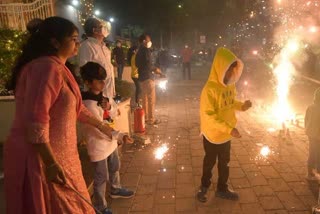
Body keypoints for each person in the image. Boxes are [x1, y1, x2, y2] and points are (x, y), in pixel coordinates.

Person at [4, 17, 113, 214]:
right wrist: (51, 163)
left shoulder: (59, 67)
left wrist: (101, 125)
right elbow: (36, 122)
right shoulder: (45, 68)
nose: (77, 43)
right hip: (43, 157)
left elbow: (76, 108)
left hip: (63, 155)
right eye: (73, 38)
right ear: (55, 42)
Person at [197, 47, 252, 203]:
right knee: (209, 162)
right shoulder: (209, 90)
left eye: (234, 69)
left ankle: (222, 188)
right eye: (229, 69)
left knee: (225, 162)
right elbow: (209, 116)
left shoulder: (230, 85)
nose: (232, 73)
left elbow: (231, 102)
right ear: (221, 68)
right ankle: (204, 186)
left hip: (226, 134)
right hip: (213, 134)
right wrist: (230, 129)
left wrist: (242, 106)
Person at [80, 62, 134, 214]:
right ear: (87, 82)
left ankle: (115, 189)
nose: (103, 83)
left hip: (110, 143)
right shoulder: (87, 104)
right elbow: (99, 130)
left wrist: (109, 107)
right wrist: (119, 136)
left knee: (115, 167)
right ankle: (100, 205)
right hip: (98, 145)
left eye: (104, 79)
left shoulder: (103, 98)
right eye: (98, 80)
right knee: (101, 176)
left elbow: (116, 113)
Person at [79, 18, 115, 101]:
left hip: (108, 94)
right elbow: (85, 72)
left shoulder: (105, 48)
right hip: (96, 96)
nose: (104, 28)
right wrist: (95, 94)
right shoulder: (87, 46)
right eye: (101, 26)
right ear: (94, 30)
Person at [135, 34, 162, 125]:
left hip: (141, 78)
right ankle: (151, 119)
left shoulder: (138, 52)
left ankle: (145, 118)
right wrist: (156, 69)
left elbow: (137, 64)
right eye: (148, 39)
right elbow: (149, 64)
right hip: (148, 77)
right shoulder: (146, 51)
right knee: (151, 100)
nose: (150, 41)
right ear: (144, 41)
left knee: (145, 99)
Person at [305, 87, 320, 180]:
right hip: (317, 135)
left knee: (312, 153)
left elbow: (306, 120)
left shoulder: (310, 107)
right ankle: (312, 173)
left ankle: (310, 172)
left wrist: (307, 130)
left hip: (311, 134)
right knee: (316, 153)